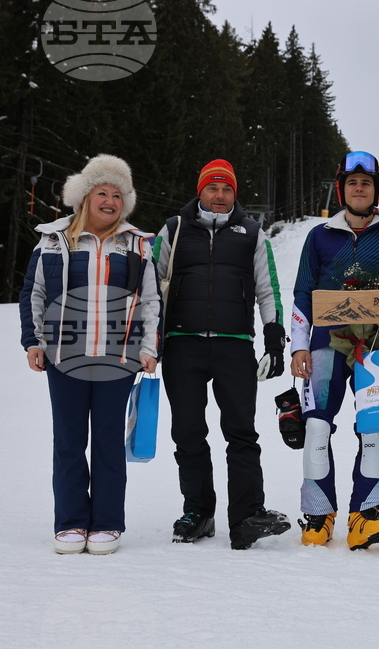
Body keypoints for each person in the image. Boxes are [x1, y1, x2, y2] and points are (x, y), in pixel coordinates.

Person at [20, 154, 160, 555]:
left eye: (118, 194)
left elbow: (150, 300)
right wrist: (33, 341)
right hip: (65, 357)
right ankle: (70, 522)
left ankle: (107, 523)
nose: (110, 201)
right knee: (68, 440)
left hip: (118, 360)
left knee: (108, 442)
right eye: (102, 192)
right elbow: (34, 293)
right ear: (84, 197)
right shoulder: (53, 240)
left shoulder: (137, 244)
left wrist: (150, 348)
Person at [154, 159, 290, 551]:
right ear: (200, 192)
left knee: (241, 433)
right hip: (182, 343)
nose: (219, 195)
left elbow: (269, 290)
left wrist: (274, 338)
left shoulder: (251, 233)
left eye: (227, 189)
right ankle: (199, 511)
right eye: (212, 188)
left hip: (234, 344)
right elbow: (151, 283)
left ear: (235, 194)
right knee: (188, 433)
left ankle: (247, 516)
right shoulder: (174, 229)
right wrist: (150, 339)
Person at [289, 151, 379, 550]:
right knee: (316, 427)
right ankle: (318, 513)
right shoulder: (319, 236)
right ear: (341, 189)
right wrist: (298, 347)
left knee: (374, 428)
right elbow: (302, 293)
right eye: (351, 183)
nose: (358, 188)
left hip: (376, 345)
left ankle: (366, 513)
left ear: (376, 189)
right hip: (326, 342)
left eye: (366, 183)